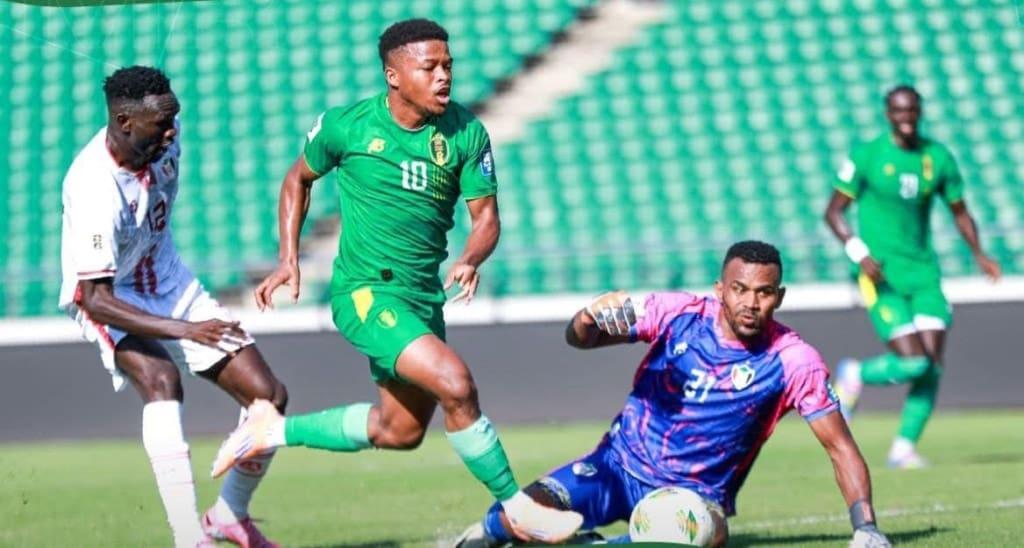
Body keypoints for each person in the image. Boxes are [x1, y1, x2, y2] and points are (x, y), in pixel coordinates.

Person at [209, 19, 582, 543]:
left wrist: (471, 257)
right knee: (456, 384)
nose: (443, 76)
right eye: (430, 67)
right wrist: (288, 259)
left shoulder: (466, 132)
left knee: (399, 430)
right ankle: (519, 509)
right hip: (366, 292)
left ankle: (271, 430)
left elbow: (487, 219)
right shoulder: (348, 126)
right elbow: (297, 179)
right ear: (394, 75)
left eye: (448, 65)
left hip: (422, 298)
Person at [455, 241, 891, 548]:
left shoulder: (793, 360)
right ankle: (487, 535)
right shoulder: (678, 314)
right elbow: (582, 339)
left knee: (684, 536)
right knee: (516, 515)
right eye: (740, 289)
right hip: (615, 467)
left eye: (763, 293)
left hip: (694, 495)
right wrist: (588, 315)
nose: (750, 303)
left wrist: (866, 527)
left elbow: (840, 447)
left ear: (779, 297)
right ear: (720, 289)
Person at [59, 66, 287, 548]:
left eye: (173, 118)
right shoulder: (93, 186)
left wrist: (186, 321)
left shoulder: (162, 137)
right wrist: (184, 330)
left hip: (168, 279)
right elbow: (95, 298)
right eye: (161, 123)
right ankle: (189, 536)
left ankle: (228, 515)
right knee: (162, 380)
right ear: (124, 122)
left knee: (269, 398)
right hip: (112, 295)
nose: (172, 131)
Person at [824, 85, 1001, 469]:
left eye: (912, 110)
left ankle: (903, 448)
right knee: (914, 362)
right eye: (899, 111)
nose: (906, 118)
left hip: (923, 274)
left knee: (932, 365)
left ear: (919, 112)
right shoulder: (868, 155)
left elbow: (959, 211)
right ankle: (855, 374)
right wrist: (859, 252)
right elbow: (833, 212)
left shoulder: (937, 158)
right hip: (880, 277)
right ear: (888, 114)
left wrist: (979, 254)